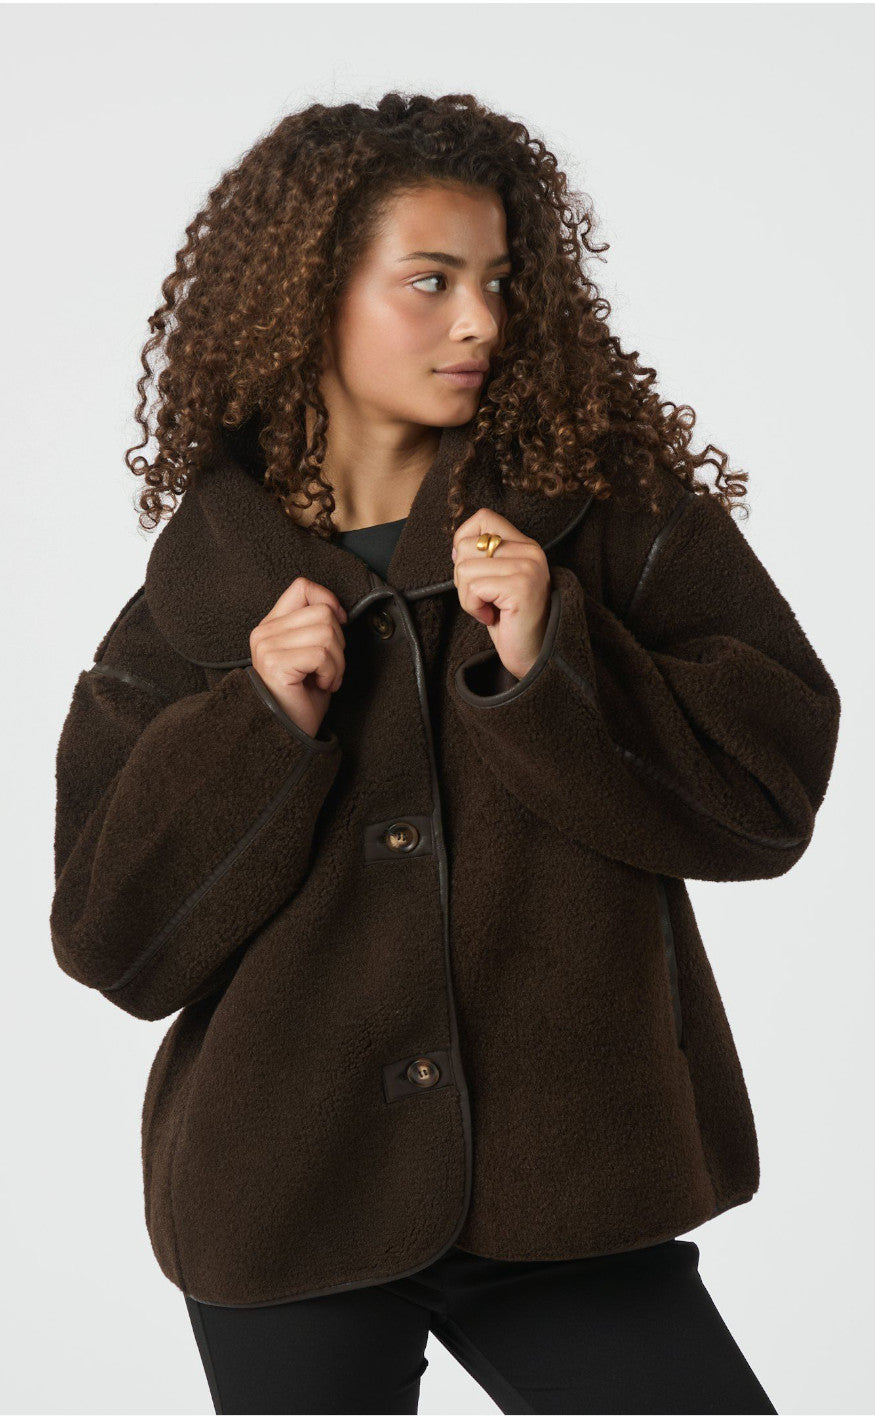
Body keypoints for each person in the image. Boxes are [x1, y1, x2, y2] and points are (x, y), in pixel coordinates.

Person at [50, 91, 840, 1414]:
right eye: (430, 281)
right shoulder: (198, 601)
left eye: (499, 281)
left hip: (574, 1190)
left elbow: (765, 800)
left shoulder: (606, 519)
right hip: (281, 1202)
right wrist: (260, 721)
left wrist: (552, 661)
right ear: (307, 300)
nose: (480, 320)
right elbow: (114, 942)